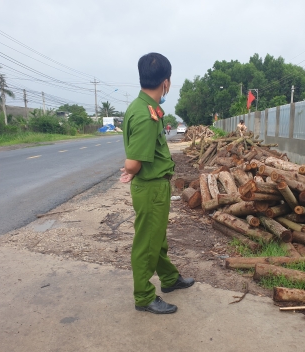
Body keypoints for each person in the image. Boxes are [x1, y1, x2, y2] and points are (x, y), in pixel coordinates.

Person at [119, 53, 194, 314]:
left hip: (155, 186)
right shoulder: (144, 115)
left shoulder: (146, 108)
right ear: (166, 82)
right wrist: (130, 169)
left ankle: (170, 279)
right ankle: (143, 296)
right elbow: (133, 162)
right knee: (147, 244)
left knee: (157, 240)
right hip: (151, 188)